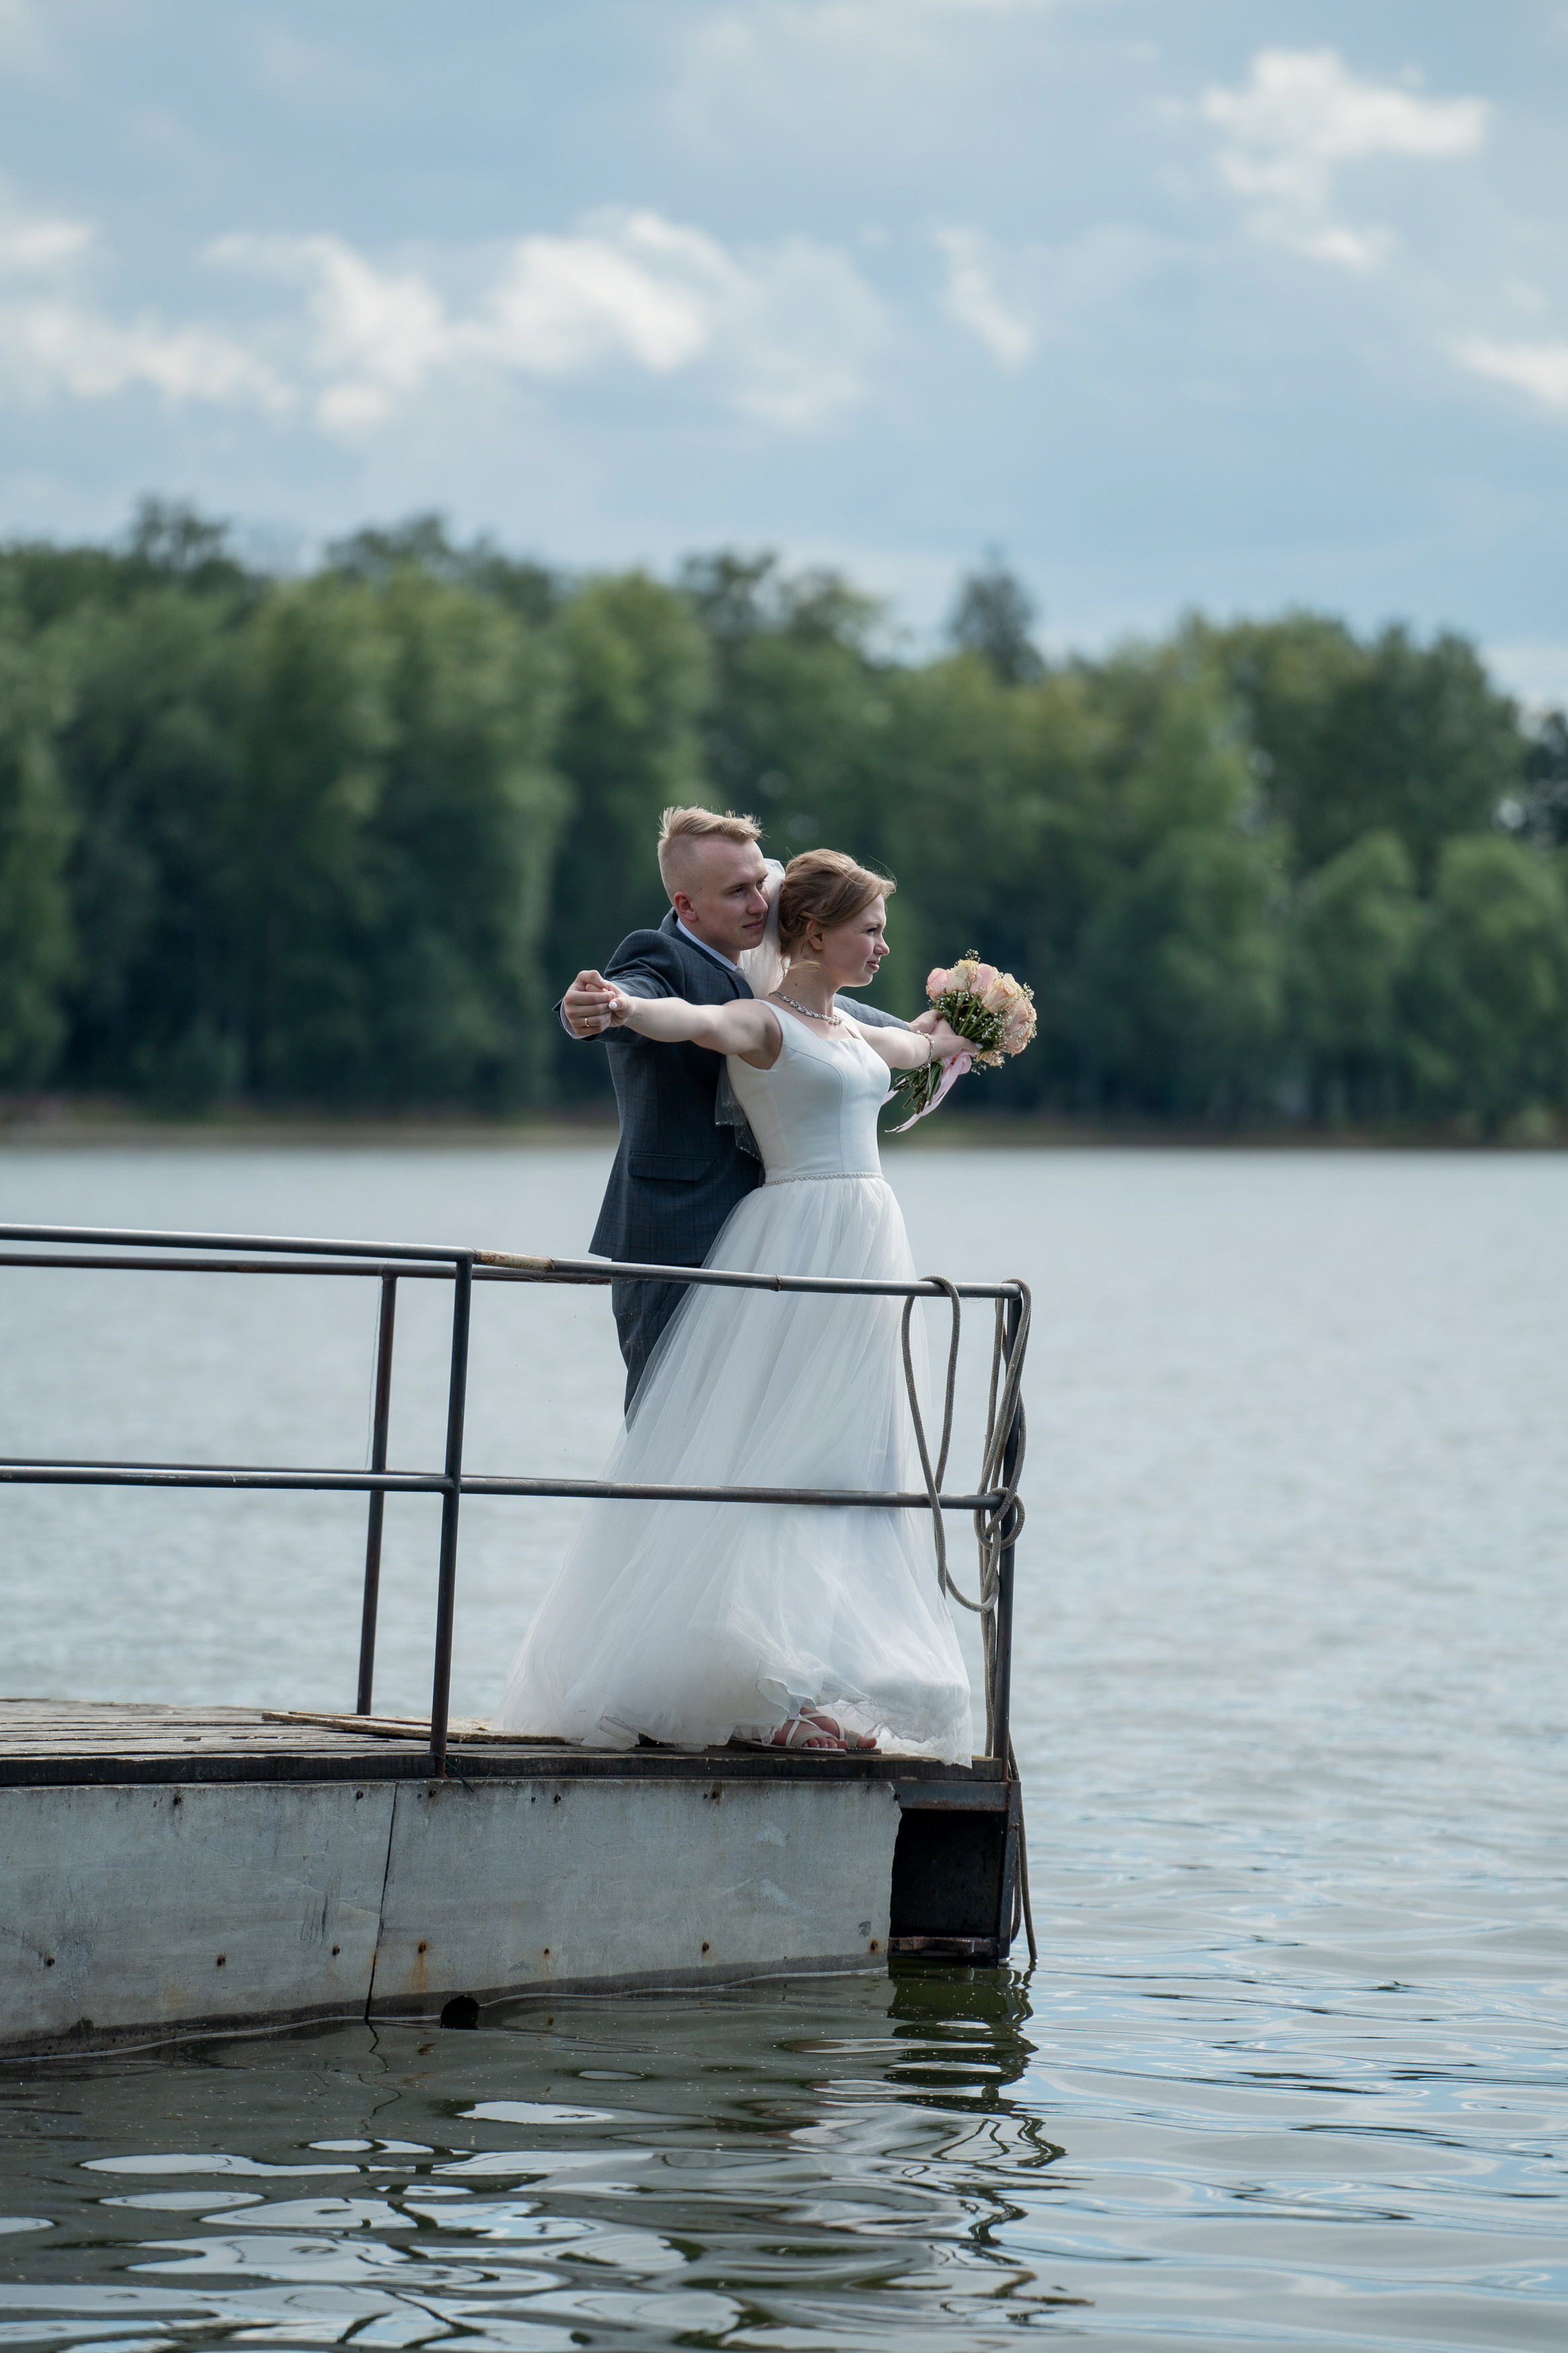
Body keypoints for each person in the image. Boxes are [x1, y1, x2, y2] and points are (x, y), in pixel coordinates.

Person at [499, 848, 975, 1759]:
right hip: (794, 1243)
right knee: (769, 1454)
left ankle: (810, 1675)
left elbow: (920, 1045)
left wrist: (973, 1023)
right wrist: (622, 1006)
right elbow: (688, 1017)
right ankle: (759, 1693)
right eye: (868, 929)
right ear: (817, 932)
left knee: (848, 1462)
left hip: (867, 1258)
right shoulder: (762, 1022)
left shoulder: (848, 1032)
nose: (881, 944)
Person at [560, 805, 920, 1408]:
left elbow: (836, 1019)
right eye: (738, 892)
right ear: (687, 906)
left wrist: (945, 1033)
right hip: (677, 1231)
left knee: (763, 1415)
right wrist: (599, 1008)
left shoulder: (766, 970)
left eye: (761, 882)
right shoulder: (657, 957)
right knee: (668, 1417)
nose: (761, 902)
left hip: (774, 1231)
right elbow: (641, 1003)